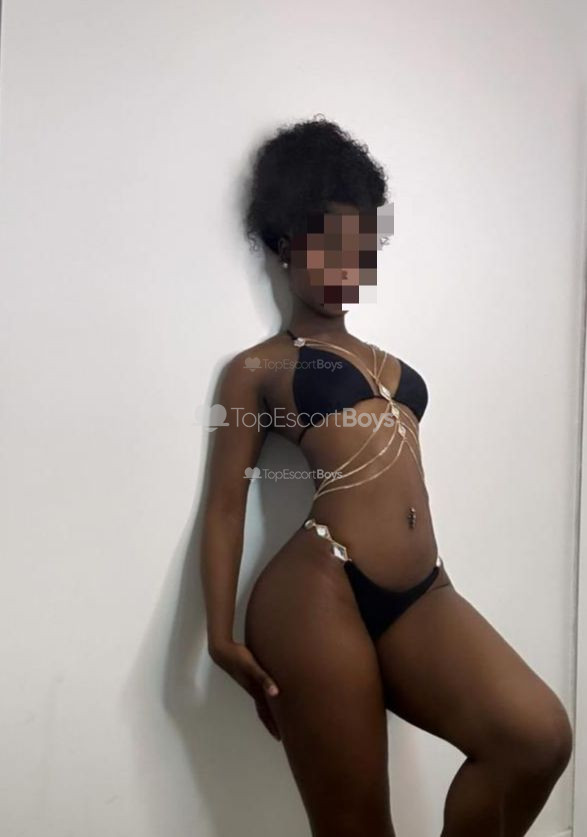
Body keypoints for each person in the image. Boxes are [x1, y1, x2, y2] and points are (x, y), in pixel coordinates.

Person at [200, 116, 573, 836]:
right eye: (328, 245)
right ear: (283, 241)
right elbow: (224, 506)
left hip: (424, 590)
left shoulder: (391, 364)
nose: (348, 266)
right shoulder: (257, 367)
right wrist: (218, 635)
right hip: (317, 588)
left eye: (361, 248)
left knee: (535, 738)